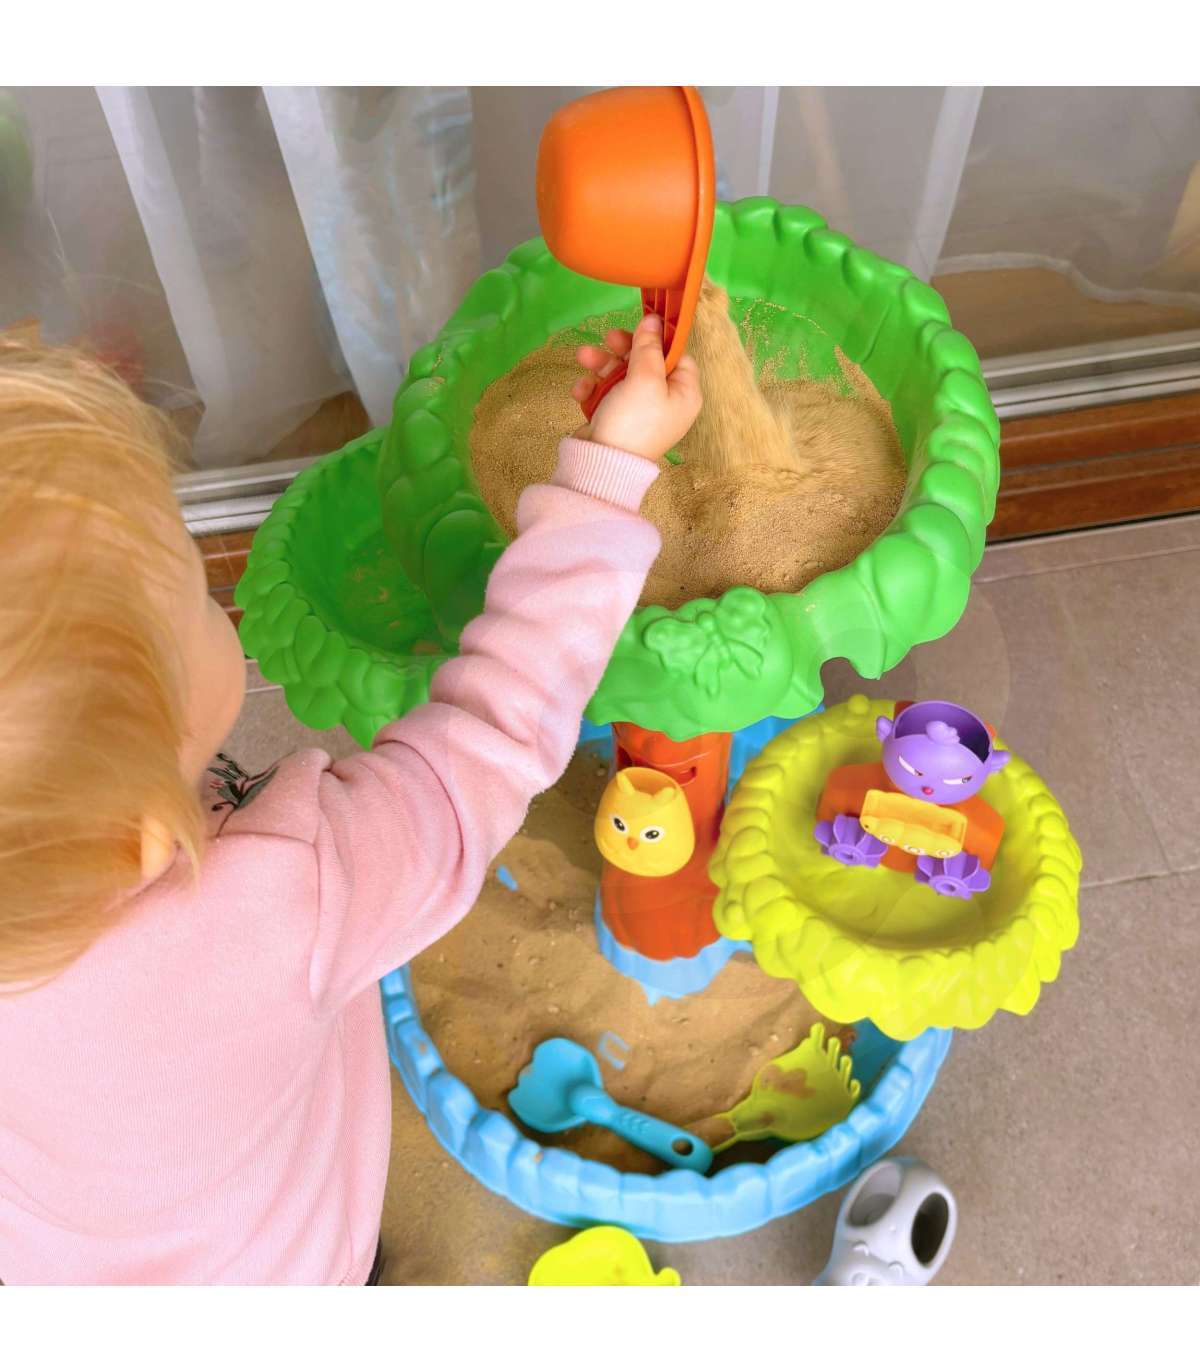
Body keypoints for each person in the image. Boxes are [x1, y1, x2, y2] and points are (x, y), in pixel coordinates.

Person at [0, 314, 701, 1284]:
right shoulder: (288, 896)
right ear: (146, 826)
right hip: (288, 1271)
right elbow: (492, 736)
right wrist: (608, 474)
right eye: (197, 591)